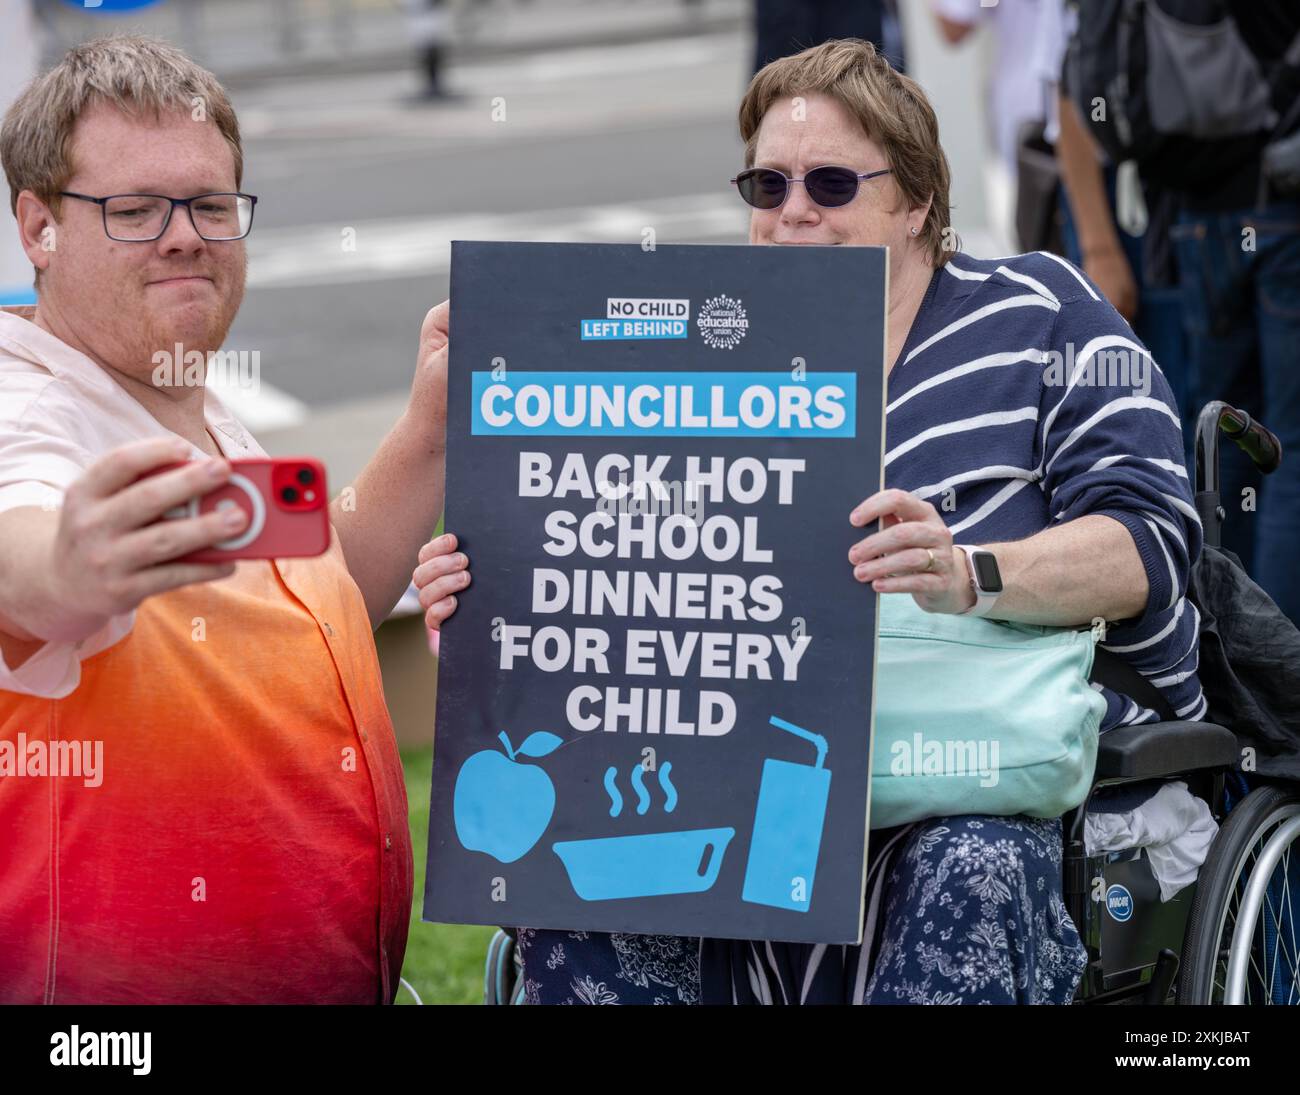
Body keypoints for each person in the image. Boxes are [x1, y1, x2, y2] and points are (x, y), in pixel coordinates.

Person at [468, 37, 1205, 1005]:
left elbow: (1148, 541)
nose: (792, 213)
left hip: (978, 781)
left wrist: (970, 572)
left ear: (918, 203)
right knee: (583, 883)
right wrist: (499, 604)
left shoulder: (1040, 316)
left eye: (828, 183)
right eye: (765, 187)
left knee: (964, 867)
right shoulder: (705, 363)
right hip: (757, 793)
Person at [0, 35, 467, 1004]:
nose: (185, 235)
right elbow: (26, 546)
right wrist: (71, 566)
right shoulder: (26, 410)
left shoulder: (186, 396)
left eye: (211, 205)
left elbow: (322, 602)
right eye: (134, 211)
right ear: (37, 227)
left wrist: (429, 429)